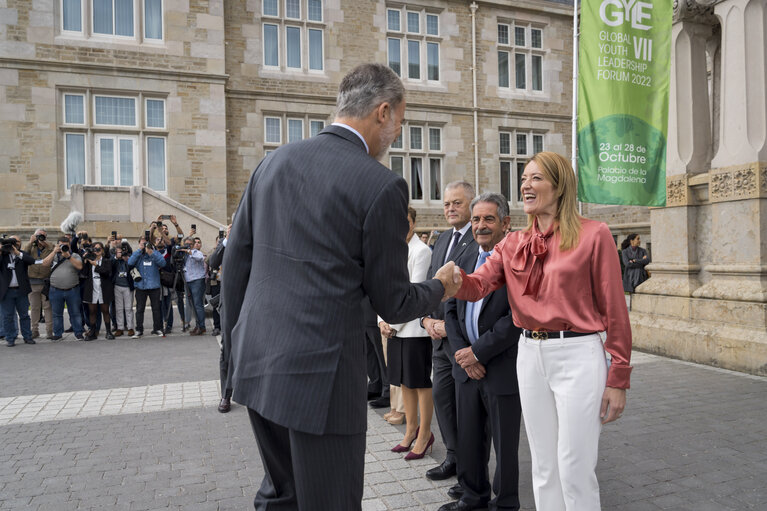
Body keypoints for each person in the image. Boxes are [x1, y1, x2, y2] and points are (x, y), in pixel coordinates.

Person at [222, 63, 461, 511]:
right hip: (322, 381)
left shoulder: (271, 163)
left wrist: (233, 356)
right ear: (383, 112)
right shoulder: (381, 185)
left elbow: (234, 269)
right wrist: (441, 285)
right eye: (401, 124)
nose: (396, 136)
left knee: (280, 497)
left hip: (257, 364)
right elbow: (393, 302)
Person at [454, 151, 632, 511]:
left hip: (578, 355)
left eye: (535, 178)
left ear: (559, 184)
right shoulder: (513, 243)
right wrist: (449, 281)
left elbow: (615, 310)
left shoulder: (594, 235)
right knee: (544, 467)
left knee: (574, 467)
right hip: (529, 356)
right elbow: (477, 286)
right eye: (523, 177)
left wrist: (618, 378)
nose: (525, 184)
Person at [442, 193, 522, 511]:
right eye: (476, 219)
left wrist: (479, 352)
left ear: (505, 223)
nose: (480, 225)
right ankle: (473, 496)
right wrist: (464, 353)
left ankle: (505, 503)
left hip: (501, 365)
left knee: (504, 444)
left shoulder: (518, 262)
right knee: (470, 438)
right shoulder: (464, 260)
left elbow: (517, 316)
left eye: (489, 219)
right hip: (466, 366)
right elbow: (450, 310)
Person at [420, 181, 475, 493]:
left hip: (462, 339)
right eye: (446, 204)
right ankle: (452, 456)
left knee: (466, 405)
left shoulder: (477, 238)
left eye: (457, 203)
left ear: (470, 204)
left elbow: (475, 291)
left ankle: (470, 467)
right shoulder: (440, 241)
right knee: (442, 399)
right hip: (438, 340)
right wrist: (426, 317)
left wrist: (448, 326)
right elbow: (431, 283)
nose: (450, 209)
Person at [379, 206, 435, 460]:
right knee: (403, 382)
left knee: (420, 383)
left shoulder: (421, 251)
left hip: (413, 330)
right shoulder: (392, 250)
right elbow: (383, 287)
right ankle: (410, 429)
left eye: (407, 222)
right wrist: (382, 320)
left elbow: (414, 292)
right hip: (395, 327)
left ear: (413, 223)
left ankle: (425, 434)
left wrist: (393, 323)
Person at [207, 225, 231, 413]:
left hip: (252, 302)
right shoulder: (226, 243)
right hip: (229, 304)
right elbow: (214, 262)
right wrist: (226, 240)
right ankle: (225, 394)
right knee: (227, 350)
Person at [42, 237, 85, 341]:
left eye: (66, 245)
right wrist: (54, 252)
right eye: (61, 245)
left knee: (75, 313)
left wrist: (69, 256)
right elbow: (45, 264)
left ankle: (78, 332)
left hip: (72, 289)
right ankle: (57, 333)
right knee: (56, 314)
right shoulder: (54, 255)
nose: (64, 247)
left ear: (69, 245)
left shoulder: (74, 255)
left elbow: (79, 266)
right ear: (57, 245)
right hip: (55, 290)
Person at [128, 236, 166, 338]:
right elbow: (130, 262)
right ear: (139, 244)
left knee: (156, 309)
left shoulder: (154, 253)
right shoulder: (138, 254)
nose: (144, 246)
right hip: (141, 286)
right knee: (140, 309)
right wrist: (139, 250)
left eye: (146, 244)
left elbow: (163, 263)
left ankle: (157, 328)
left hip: (154, 286)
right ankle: (139, 330)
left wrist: (151, 253)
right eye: (142, 243)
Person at [1, 236, 36, 347]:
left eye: (14, 243)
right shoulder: (3, 256)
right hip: (7, 292)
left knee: (24, 315)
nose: (11, 246)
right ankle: (10, 338)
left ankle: (27, 336)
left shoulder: (21, 254)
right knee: (8, 316)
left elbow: (31, 261)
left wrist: (17, 253)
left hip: (21, 290)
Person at [81, 242, 115, 341]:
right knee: (92, 311)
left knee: (105, 310)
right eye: (95, 249)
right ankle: (92, 332)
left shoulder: (106, 261)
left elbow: (107, 273)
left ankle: (108, 331)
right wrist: (85, 261)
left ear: (102, 250)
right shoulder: (88, 261)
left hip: (103, 288)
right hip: (92, 288)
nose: (97, 251)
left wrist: (95, 265)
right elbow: (83, 273)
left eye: (99, 249)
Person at [24, 229, 53, 339]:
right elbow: (23, 254)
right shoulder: (31, 247)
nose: (40, 237)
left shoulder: (49, 246)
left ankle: (49, 331)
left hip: (45, 282)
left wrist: (44, 243)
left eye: (42, 236)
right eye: (38, 235)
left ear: (46, 236)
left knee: (47, 307)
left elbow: (53, 250)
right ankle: (34, 330)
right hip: (32, 282)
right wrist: (31, 242)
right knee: (35, 308)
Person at [182, 236, 207, 335]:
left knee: (198, 304)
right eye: (186, 244)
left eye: (190, 244)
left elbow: (200, 258)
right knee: (193, 305)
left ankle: (201, 326)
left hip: (197, 280)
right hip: (188, 281)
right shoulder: (184, 255)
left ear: (193, 245)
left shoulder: (196, 252)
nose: (188, 246)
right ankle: (198, 325)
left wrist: (190, 251)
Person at [112, 240, 135, 337]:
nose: (121, 253)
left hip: (127, 286)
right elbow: (110, 265)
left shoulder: (129, 259)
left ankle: (130, 327)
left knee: (128, 308)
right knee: (119, 308)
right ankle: (120, 327)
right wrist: (117, 257)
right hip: (117, 285)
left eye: (122, 251)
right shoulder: (114, 261)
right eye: (119, 252)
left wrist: (126, 258)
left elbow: (131, 266)